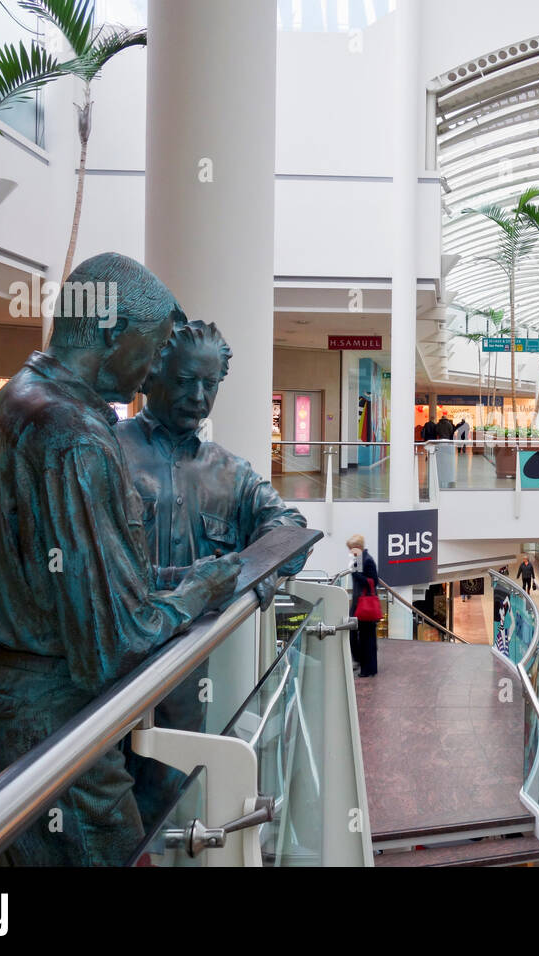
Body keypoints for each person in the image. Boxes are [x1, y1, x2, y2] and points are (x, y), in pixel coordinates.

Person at [0, 253, 241, 866]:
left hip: (9, 708)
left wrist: (174, 580)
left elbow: (72, 580)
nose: (149, 376)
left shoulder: (14, 399)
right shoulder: (75, 434)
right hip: (56, 725)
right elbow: (115, 639)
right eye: (152, 349)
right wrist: (202, 591)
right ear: (113, 333)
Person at [116, 318, 311, 832]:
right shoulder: (106, 454)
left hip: (183, 680)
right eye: (185, 381)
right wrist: (198, 582)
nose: (198, 397)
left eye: (211, 384)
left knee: (165, 814)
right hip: (105, 675)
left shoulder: (232, 473)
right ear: (152, 375)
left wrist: (251, 569)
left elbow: (289, 529)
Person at [348, 533, 379, 677]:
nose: (350, 551)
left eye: (352, 548)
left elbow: (372, 581)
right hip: (360, 604)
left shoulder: (367, 560)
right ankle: (365, 665)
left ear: (359, 547)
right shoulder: (361, 559)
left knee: (367, 638)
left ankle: (368, 668)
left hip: (364, 605)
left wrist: (354, 574)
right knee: (363, 636)